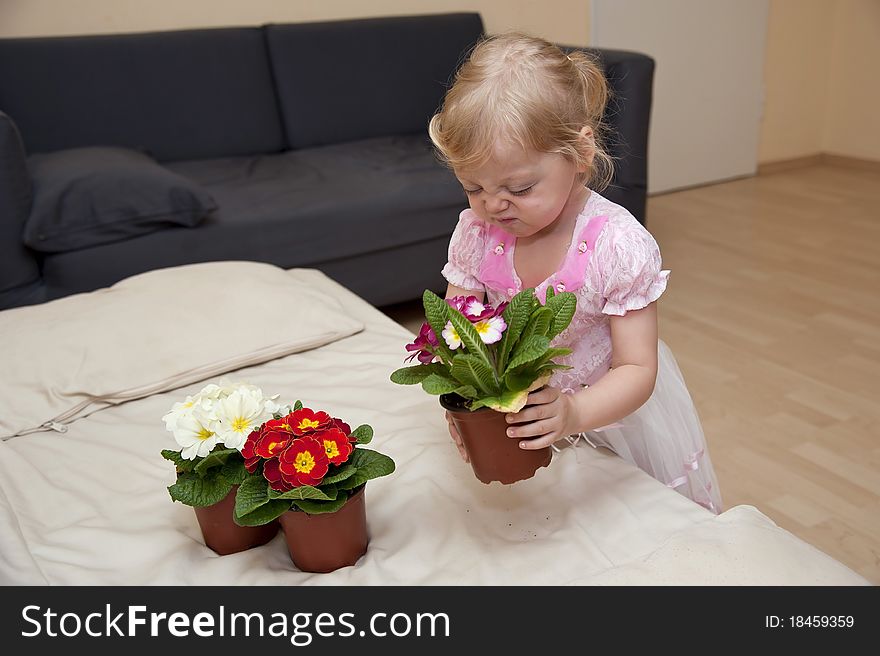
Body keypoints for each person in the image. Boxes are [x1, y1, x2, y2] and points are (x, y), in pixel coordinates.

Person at [428, 32, 722, 513]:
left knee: (632, 522)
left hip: (610, 414)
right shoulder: (478, 232)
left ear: (580, 154)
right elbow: (456, 334)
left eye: (519, 188)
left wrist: (574, 413)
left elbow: (637, 368)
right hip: (520, 415)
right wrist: (465, 410)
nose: (493, 205)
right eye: (472, 186)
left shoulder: (618, 246)